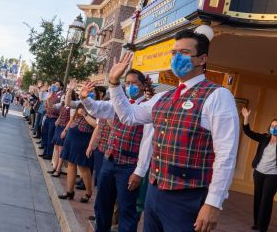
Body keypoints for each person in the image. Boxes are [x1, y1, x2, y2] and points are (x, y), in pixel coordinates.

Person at [106, 29, 240, 231]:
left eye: (184, 53)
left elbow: (226, 154)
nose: (177, 57)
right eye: (174, 53)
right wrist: (114, 84)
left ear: (202, 59)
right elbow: (129, 116)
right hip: (155, 190)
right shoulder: (163, 97)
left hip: (187, 197)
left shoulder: (218, 96)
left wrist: (213, 202)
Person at [81, 69, 153, 232]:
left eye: (134, 83)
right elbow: (97, 109)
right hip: (110, 160)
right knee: (102, 205)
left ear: (143, 86)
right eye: (126, 83)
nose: (130, 86)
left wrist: (139, 171)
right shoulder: (120, 103)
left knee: (127, 211)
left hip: (130, 165)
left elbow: (148, 142)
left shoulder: (148, 107)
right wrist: (85, 98)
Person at [241, 107, 277, 232]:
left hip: (273, 176)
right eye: (272, 126)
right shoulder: (265, 138)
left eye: (276, 126)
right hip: (259, 173)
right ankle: (257, 223)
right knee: (258, 198)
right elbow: (248, 132)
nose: (274, 128)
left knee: (266, 201)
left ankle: (263, 227)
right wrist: (246, 117)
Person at [58, 103, 96, 203]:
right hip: (71, 138)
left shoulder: (96, 106)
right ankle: (69, 191)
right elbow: (72, 118)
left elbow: (96, 125)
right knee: (70, 164)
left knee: (83, 167)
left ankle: (88, 193)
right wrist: (65, 130)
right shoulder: (81, 103)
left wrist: (84, 114)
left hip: (83, 139)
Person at [39, 81, 64, 160]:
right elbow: (44, 101)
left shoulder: (62, 95)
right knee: (45, 134)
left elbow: (61, 108)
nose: (55, 86)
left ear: (61, 87)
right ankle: (45, 152)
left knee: (50, 136)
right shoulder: (52, 93)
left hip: (54, 117)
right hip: (48, 116)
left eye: (57, 85)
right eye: (55, 84)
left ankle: (49, 154)